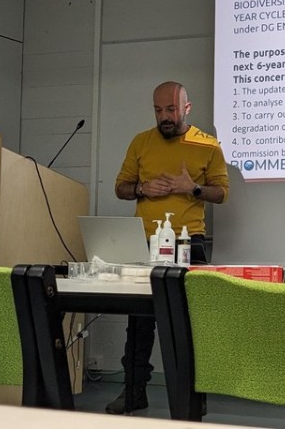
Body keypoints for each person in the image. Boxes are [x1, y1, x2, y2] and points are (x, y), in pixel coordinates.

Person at [106, 81, 230, 414]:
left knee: (187, 323)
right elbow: (121, 187)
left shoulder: (208, 145)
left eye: (171, 110)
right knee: (139, 323)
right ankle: (134, 392)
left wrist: (193, 188)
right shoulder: (140, 142)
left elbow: (221, 193)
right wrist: (142, 188)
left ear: (187, 108)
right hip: (144, 242)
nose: (165, 117)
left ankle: (192, 397)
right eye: (159, 110)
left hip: (189, 242)